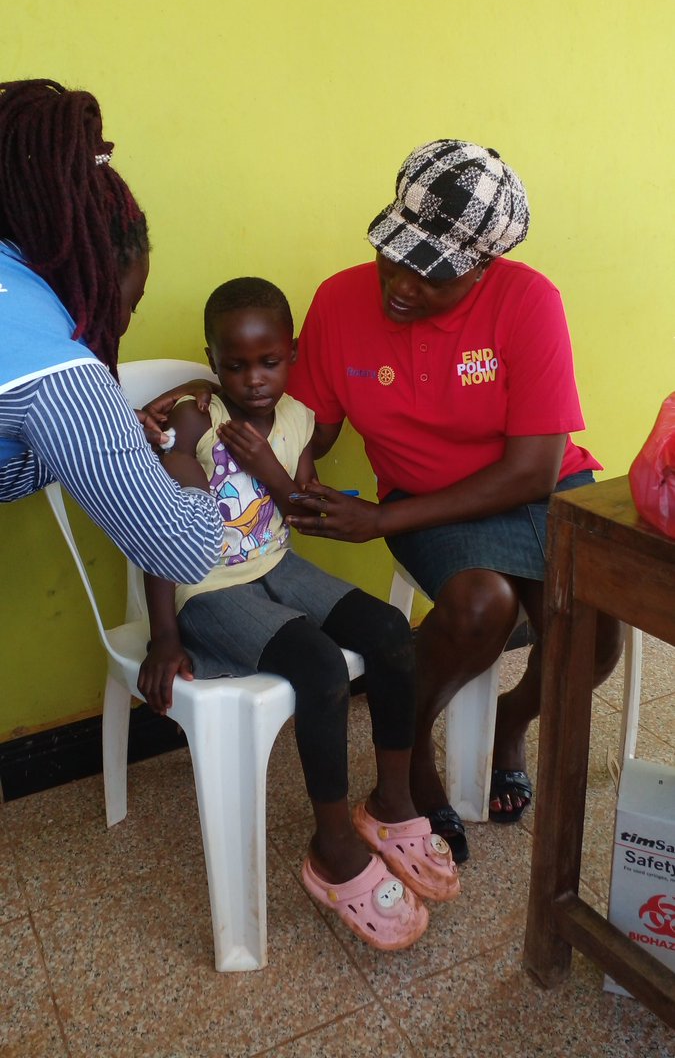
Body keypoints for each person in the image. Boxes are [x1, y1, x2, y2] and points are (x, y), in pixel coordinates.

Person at [285, 139, 623, 863]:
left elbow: (534, 470)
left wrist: (377, 522)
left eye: (432, 274)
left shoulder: (528, 301)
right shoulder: (339, 300)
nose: (401, 285)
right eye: (392, 255)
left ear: (481, 266)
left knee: (592, 638)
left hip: (540, 488)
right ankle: (410, 759)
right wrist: (273, 452)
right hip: (427, 492)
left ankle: (509, 723)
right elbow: (307, 424)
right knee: (479, 605)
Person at [137, 276, 461, 951]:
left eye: (270, 361)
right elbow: (162, 531)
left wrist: (273, 473)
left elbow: (301, 510)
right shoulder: (195, 422)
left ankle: (391, 803)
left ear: (292, 355)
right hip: (209, 587)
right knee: (319, 670)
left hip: (278, 564)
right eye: (235, 364)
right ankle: (334, 844)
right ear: (213, 360)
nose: (254, 379)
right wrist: (164, 635)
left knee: (390, 633)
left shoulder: (297, 419)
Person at [0, 78, 223, 583]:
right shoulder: (56, 376)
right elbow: (186, 551)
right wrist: (184, 458)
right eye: (129, 303)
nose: (122, 323)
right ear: (94, 279)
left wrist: (105, 439)